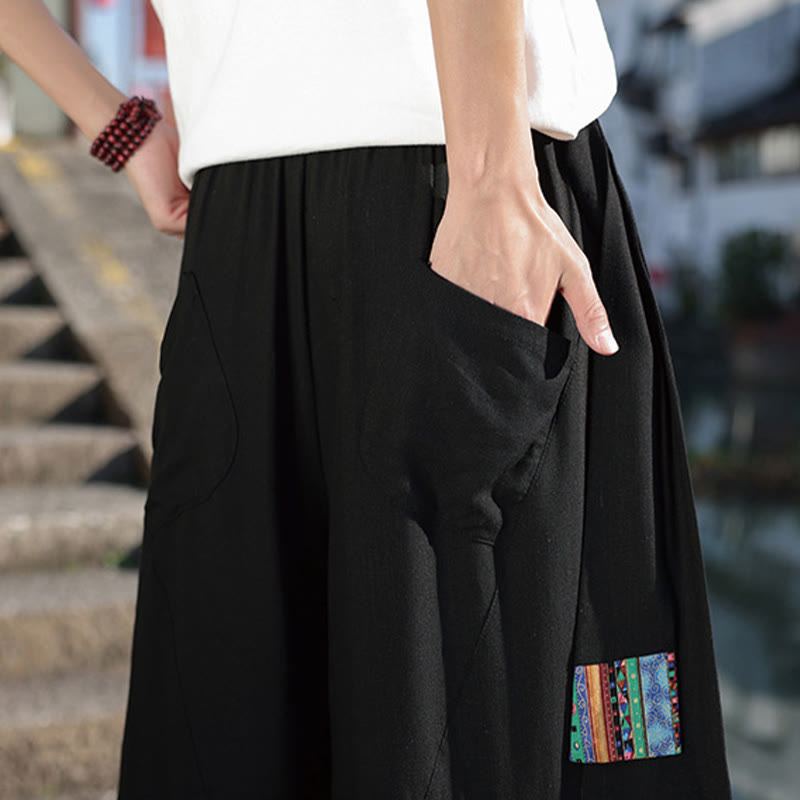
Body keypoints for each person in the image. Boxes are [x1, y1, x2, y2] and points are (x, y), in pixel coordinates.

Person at [0, 1, 733, 797]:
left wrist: (122, 130)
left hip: (244, 256)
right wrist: (491, 176)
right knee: (580, 721)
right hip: (466, 189)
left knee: (240, 734)